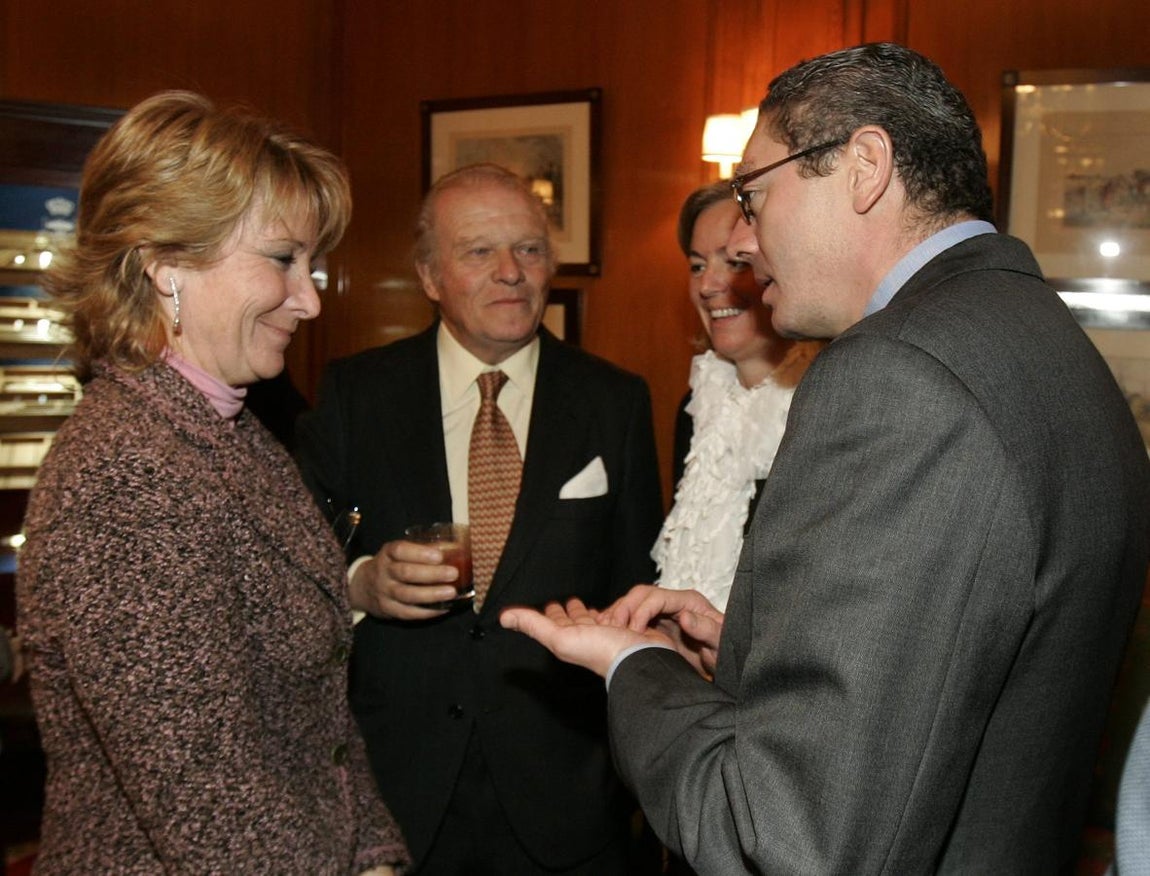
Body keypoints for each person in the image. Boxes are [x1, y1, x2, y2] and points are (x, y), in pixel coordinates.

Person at [502, 42, 1150, 874]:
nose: (743, 239)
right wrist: (751, 659)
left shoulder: (895, 374)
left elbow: (790, 836)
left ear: (864, 167)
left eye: (752, 194)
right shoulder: (1049, 339)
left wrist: (639, 665)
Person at [16, 91, 408, 875]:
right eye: (282, 259)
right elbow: (214, 810)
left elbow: (318, 721)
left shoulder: (232, 432)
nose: (310, 298)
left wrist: (373, 855)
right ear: (165, 268)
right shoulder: (124, 474)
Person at [295, 163, 664, 874]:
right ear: (430, 277)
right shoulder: (358, 394)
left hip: (564, 798)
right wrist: (362, 582)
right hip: (398, 794)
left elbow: (638, 585)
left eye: (529, 249)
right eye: (479, 251)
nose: (510, 272)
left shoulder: (613, 402)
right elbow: (294, 567)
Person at [653, 182, 820, 611]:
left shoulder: (825, 406)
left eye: (734, 262)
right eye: (696, 265)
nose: (708, 285)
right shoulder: (696, 407)